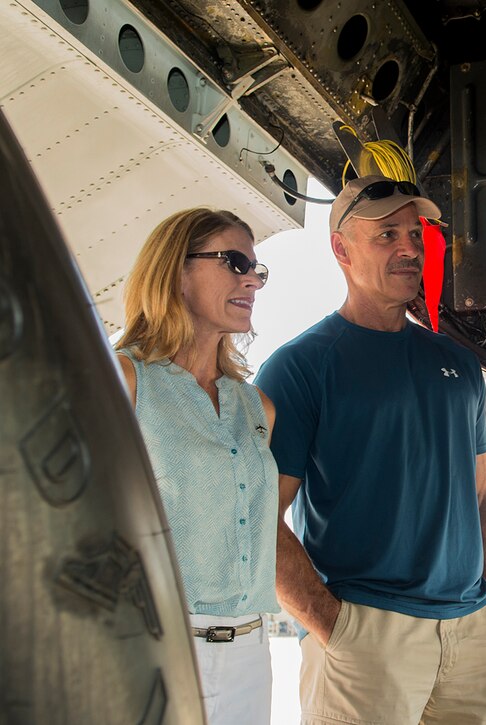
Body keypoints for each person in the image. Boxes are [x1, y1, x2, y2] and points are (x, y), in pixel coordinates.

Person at [254, 175, 486, 724]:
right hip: (366, 633)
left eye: (414, 234)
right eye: (387, 235)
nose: (408, 248)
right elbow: (256, 516)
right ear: (341, 249)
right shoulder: (300, 368)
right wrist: (333, 627)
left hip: (472, 637)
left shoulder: (459, 364)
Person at [114, 208, 280, 724]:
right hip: (153, 649)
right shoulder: (124, 379)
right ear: (176, 272)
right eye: (234, 263)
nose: (252, 279)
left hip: (251, 654)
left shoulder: (258, 407)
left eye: (257, 269)